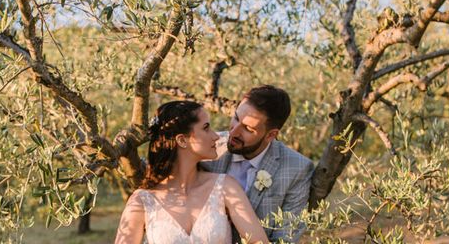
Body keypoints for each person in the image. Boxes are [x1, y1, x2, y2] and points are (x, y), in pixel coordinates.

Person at [114, 100, 269, 244]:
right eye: (206, 128)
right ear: (182, 140)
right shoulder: (142, 200)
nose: (216, 136)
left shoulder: (225, 187)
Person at [202, 85, 314, 243]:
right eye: (235, 118)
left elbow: (285, 238)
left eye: (247, 128)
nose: (233, 132)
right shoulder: (206, 147)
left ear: (271, 135)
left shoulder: (296, 169)